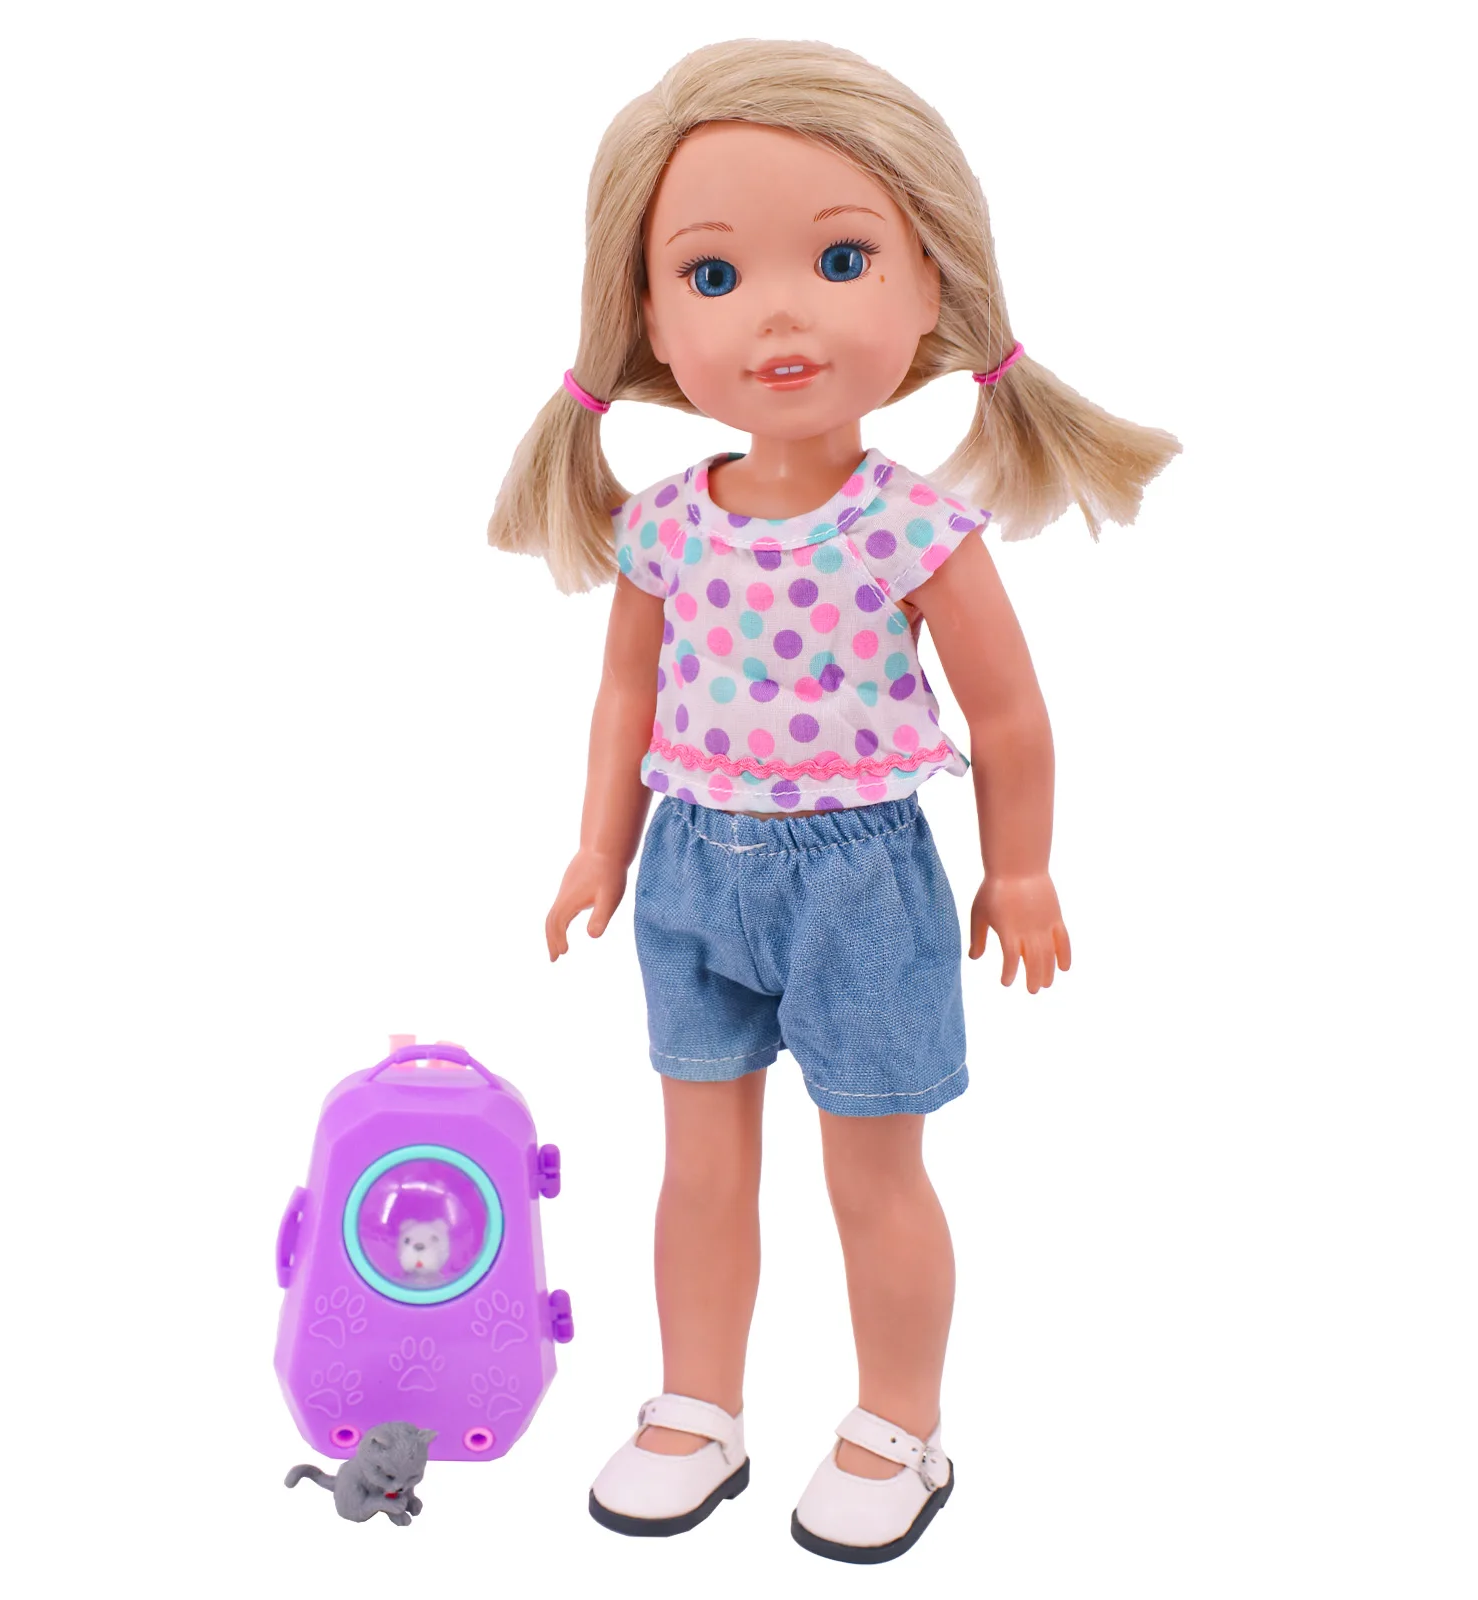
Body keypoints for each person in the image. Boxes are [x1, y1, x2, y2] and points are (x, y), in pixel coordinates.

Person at [488, 37, 1178, 1564]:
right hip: (688, 868)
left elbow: (1010, 713)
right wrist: (600, 845)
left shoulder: (912, 528)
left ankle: (897, 1425)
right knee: (701, 1166)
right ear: (648, 316)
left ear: (932, 287)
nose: (780, 312)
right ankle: (697, 1405)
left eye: (843, 259)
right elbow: (623, 698)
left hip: (862, 883)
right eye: (713, 275)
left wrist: (1020, 871)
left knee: (874, 1172)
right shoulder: (666, 527)